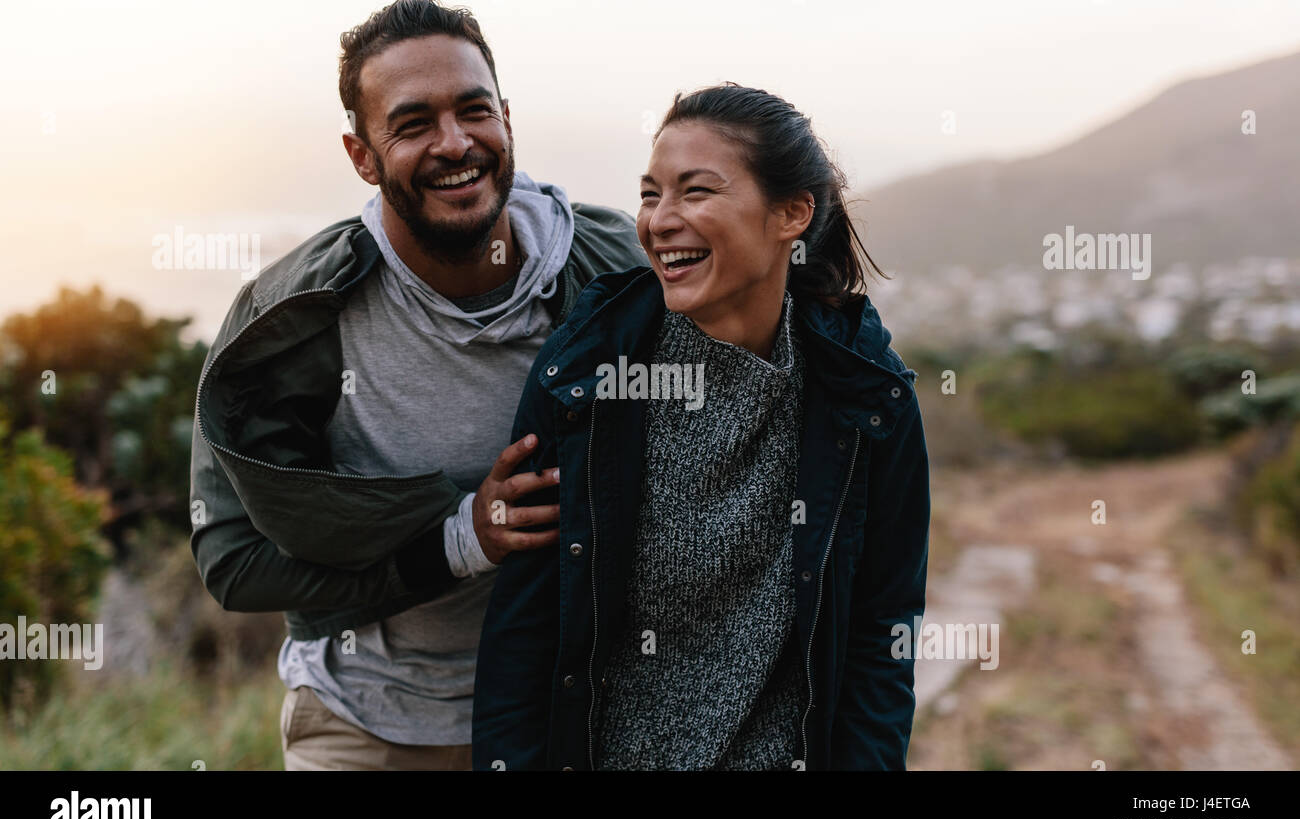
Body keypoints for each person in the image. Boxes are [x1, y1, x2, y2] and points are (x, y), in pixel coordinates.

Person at [188, 0, 646, 770]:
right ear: (361, 155)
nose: (454, 143)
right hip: (364, 727)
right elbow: (232, 558)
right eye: (412, 124)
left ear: (506, 118)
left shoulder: (612, 269)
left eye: (474, 110)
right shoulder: (289, 318)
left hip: (570, 720)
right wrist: (462, 539)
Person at [472, 83, 930, 771]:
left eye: (696, 191)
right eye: (651, 193)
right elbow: (526, 634)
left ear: (791, 214)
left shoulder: (866, 397)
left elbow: (881, 636)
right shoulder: (585, 375)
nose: (659, 220)